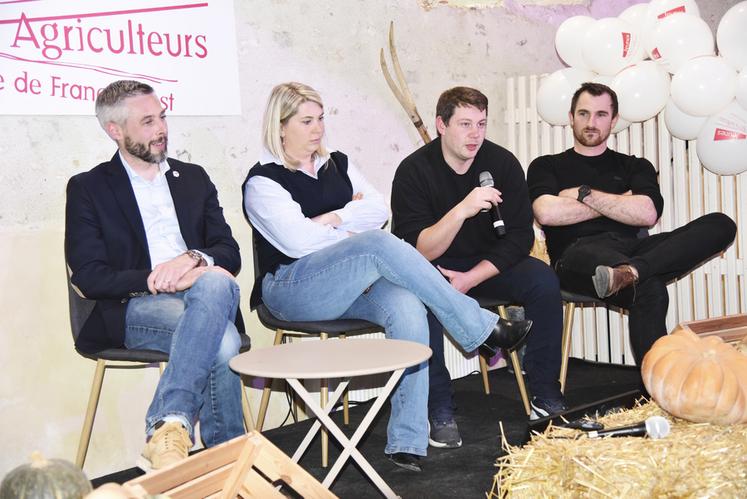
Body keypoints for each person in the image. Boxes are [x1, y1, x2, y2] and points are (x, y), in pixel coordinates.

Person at [242, 82, 532, 472]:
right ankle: (481, 327)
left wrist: (331, 220)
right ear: (280, 127)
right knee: (377, 245)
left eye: (321, 118)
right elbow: (300, 243)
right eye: (306, 121)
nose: (317, 129)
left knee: (406, 303)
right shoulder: (263, 182)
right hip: (292, 288)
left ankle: (407, 440)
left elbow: (376, 210)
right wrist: (349, 226)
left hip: (348, 282)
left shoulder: (338, 164)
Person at [65, 80, 245, 471]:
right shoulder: (89, 188)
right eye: (147, 121)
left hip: (203, 296)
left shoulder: (194, 177)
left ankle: (170, 424)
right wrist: (155, 279)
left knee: (215, 280)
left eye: (161, 117)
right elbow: (90, 276)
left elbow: (229, 252)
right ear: (116, 130)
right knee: (223, 338)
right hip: (137, 307)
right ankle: (232, 464)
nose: (161, 128)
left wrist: (191, 259)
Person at [391, 87, 566, 447]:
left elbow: (519, 238)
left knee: (543, 281)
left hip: (488, 266)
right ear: (441, 125)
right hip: (434, 270)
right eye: (465, 124)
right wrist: (462, 210)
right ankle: (439, 408)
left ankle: (545, 394)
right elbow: (416, 250)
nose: (475, 134)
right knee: (416, 301)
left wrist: (472, 278)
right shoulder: (413, 171)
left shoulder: (501, 164)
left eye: (482, 124)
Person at [527, 82, 737, 365]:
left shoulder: (635, 166)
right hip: (576, 255)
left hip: (634, 251)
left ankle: (632, 272)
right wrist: (621, 202)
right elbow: (547, 214)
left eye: (601, 114)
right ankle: (655, 391)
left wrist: (582, 195)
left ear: (613, 120)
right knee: (651, 289)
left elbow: (648, 213)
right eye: (583, 113)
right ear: (571, 117)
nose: (591, 122)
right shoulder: (546, 165)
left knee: (721, 224)